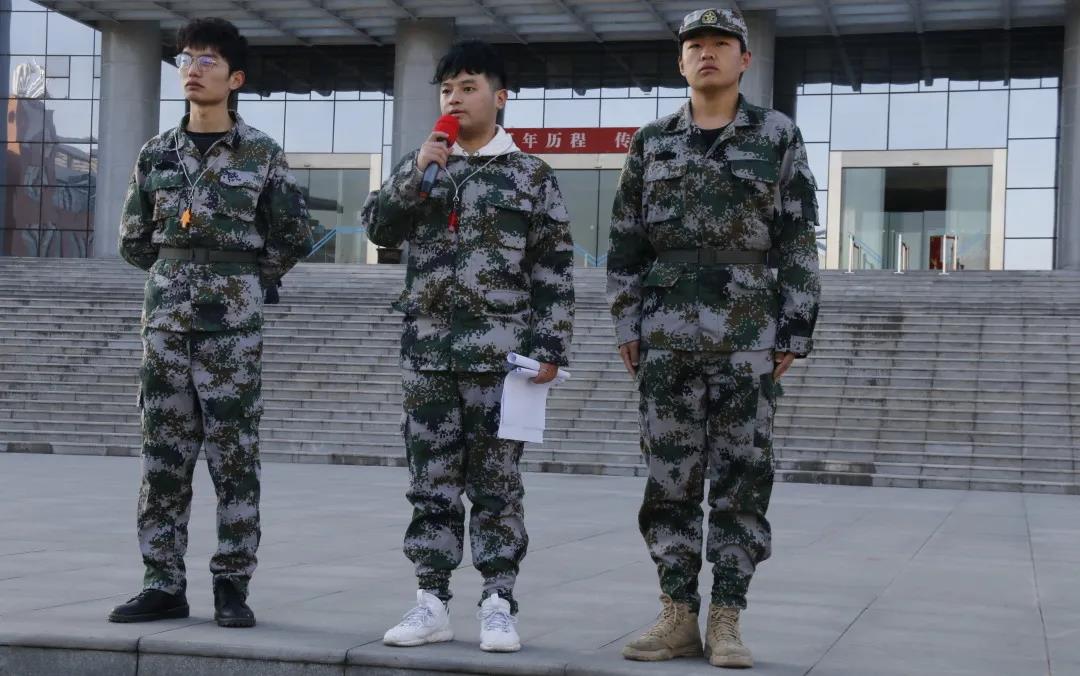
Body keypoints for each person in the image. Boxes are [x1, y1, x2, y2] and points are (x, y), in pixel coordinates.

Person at [607, 8, 821, 669]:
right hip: (666, 335)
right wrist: (627, 322)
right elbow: (625, 243)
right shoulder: (651, 142)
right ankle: (676, 614)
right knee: (668, 480)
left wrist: (796, 326)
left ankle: (727, 617)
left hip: (747, 333)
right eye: (695, 45)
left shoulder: (777, 136)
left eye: (721, 44)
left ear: (743, 59)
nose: (707, 54)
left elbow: (797, 238)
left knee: (742, 479)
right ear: (681, 62)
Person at [363, 40, 575, 653]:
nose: (455, 98)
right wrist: (415, 173)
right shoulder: (424, 164)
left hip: (501, 358)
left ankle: (498, 602)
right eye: (447, 88)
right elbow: (378, 229)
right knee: (430, 482)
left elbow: (553, 268)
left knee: (496, 486)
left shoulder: (530, 175)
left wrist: (550, 345)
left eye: (469, 86)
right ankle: (430, 601)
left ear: (499, 97)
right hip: (428, 354)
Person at [109, 17, 313, 628]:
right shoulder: (156, 152)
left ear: (235, 78)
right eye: (185, 60)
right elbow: (133, 240)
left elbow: (293, 234)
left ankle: (231, 585)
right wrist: (178, 271)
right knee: (162, 459)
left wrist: (240, 279)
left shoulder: (262, 153)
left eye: (207, 60)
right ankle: (162, 583)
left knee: (234, 459)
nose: (193, 70)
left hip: (232, 332)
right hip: (166, 326)